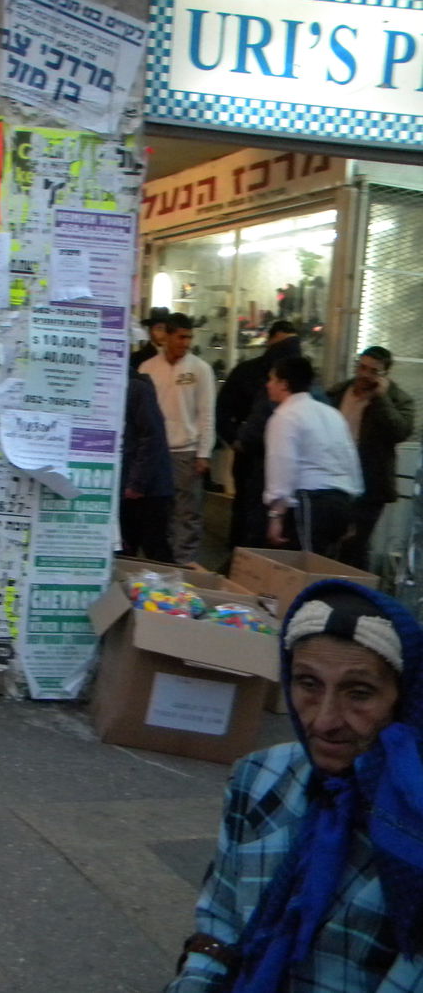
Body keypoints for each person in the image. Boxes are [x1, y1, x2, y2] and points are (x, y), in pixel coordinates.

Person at [165, 580, 423, 993]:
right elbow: (220, 925)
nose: (324, 720)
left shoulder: (412, 821)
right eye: (307, 683)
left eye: (359, 693)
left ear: (403, 697)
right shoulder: (260, 777)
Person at [264, 356, 363, 559]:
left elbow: (282, 464)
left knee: (307, 567)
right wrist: (351, 509)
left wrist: (276, 514)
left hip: (311, 501)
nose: (268, 385)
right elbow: (349, 457)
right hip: (341, 499)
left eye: (272, 379)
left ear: (284, 384)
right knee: (328, 568)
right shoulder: (331, 413)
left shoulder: (285, 416)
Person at [327, 346, 416, 571]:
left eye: (372, 371)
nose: (364, 374)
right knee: (329, 537)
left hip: (369, 483)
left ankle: (355, 589)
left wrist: (381, 399)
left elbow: (400, 431)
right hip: (334, 477)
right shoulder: (339, 392)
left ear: (384, 374)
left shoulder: (397, 399)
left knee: (356, 543)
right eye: (361, 367)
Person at [217, 321, 302, 551]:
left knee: (263, 519)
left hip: (272, 458)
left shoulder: (293, 387)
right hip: (251, 456)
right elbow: (224, 410)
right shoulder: (250, 373)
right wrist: (236, 441)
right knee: (247, 512)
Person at [139, 312, 215, 564]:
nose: (185, 343)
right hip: (156, 453)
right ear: (167, 336)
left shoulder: (200, 370)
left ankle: (185, 565)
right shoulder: (147, 368)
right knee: (158, 512)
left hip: (187, 452)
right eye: (181, 337)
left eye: (189, 338)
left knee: (187, 513)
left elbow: (206, 413)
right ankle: (162, 563)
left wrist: (204, 452)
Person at [119, 370, 175, 564]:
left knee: (155, 549)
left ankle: (171, 591)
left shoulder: (136, 388)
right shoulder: (128, 387)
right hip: (134, 484)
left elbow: (152, 437)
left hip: (147, 489)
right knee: (127, 547)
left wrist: (136, 483)